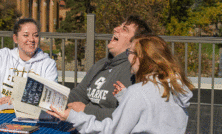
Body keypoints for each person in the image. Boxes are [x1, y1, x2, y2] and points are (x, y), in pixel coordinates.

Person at [48, 35, 194, 134]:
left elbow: (111, 131)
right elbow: (154, 116)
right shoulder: (175, 87)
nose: (127, 57)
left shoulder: (138, 92)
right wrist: (125, 98)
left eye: (129, 52)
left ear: (139, 58)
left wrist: (73, 117)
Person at [0, 3, 58, 104]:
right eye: (26, 35)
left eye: (35, 35)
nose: (31, 39)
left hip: (31, 118)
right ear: (15, 39)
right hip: (2, 114)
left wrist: (17, 99)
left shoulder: (48, 64)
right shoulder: (5, 57)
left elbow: (51, 97)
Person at [66, 15, 152, 121]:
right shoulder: (100, 64)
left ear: (135, 43)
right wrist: (54, 100)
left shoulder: (133, 71)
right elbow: (79, 93)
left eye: (124, 29)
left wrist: (86, 110)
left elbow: (128, 114)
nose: (115, 29)